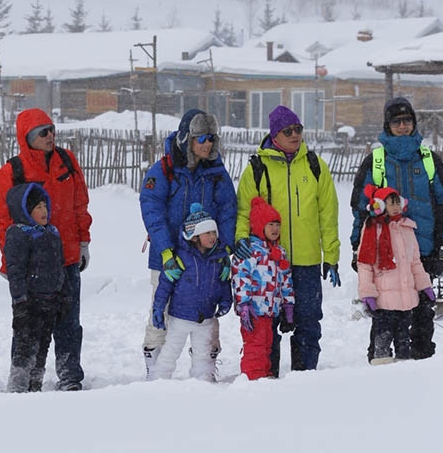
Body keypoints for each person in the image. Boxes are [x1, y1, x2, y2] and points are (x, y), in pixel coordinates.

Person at [350, 95, 443, 360]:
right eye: (396, 121)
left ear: (414, 123)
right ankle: (380, 364)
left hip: (422, 253)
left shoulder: (429, 159)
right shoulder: (376, 161)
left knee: (422, 316)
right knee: (385, 317)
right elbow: (360, 207)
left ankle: (420, 365)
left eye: (407, 120)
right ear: (387, 125)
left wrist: (442, 246)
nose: (402, 126)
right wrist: (357, 247)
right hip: (384, 254)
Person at [235, 105, 339, 374]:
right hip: (267, 264)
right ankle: (267, 377)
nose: (295, 135)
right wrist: (240, 241)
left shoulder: (315, 165)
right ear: (274, 135)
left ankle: (305, 377)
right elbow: (244, 211)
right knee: (267, 324)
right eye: (288, 130)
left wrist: (331, 255)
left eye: (298, 129)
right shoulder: (257, 168)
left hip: (306, 261)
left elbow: (328, 213)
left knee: (307, 322)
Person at [0, 108, 91, 391]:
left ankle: (70, 375)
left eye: (52, 129)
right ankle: (22, 379)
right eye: (43, 132)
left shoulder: (66, 160)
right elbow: (4, 220)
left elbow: (79, 204)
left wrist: (83, 241)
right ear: (27, 137)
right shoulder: (13, 171)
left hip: (68, 255)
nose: (50, 136)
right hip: (33, 264)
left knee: (69, 321)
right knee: (27, 325)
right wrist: (9, 262)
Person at [139, 108, 236, 377]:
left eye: (212, 138)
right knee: (162, 310)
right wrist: (167, 252)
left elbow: (228, 208)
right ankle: (155, 364)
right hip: (168, 256)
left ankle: (206, 364)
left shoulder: (216, 172)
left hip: (207, 257)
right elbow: (152, 210)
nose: (208, 144)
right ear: (187, 139)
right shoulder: (165, 170)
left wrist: (225, 250)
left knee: (208, 309)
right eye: (202, 138)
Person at [150, 204, 232, 382]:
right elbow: (165, 285)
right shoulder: (180, 257)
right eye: (207, 233)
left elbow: (224, 283)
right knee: (170, 352)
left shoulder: (219, 258)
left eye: (214, 232)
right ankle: (158, 380)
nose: (212, 237)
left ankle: (203, 382)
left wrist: (226, 301)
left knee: (203, 354)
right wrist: (158, 308)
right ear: (195, 236)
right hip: (180, 317)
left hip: (206, 318)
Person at [356, 184, 434, 365]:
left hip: (406, 300)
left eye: (397, 202)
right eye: (391, 203)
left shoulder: (407, 228)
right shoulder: (372, 230)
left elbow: (415, 262)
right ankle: (381, 368)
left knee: (403, 340)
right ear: (380, 206)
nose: (396, 206)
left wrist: (425, 286)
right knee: (382, 339)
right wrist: (368, 293)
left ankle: (403, 370)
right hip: (384, 301)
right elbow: (365, 264)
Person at [4, 182, 70, 393]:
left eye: (45, 206)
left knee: (42, 347)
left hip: (50, 300)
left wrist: (63, 295)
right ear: (25, 210)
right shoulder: (18, 233)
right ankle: (17, 387)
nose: (44, 211)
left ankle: (35, 387)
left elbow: (59, 266)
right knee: (25, 347)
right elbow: (15, 270)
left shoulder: (52, 232)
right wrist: (20, 300)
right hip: (29, 301)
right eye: (38, 207)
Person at [233, 197, 294, 381]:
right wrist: (243, 304)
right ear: (260, 226)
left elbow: (285, 280)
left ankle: (265, 375)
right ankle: (253, 377)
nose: (275, 229)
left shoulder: (279, 253)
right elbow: (241, 276)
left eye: (277, 224)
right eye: (270, 224)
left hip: (270, 311)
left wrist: (288, 305)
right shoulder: (250, 251)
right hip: (253, 311)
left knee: (267, 344)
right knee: (255, 345)